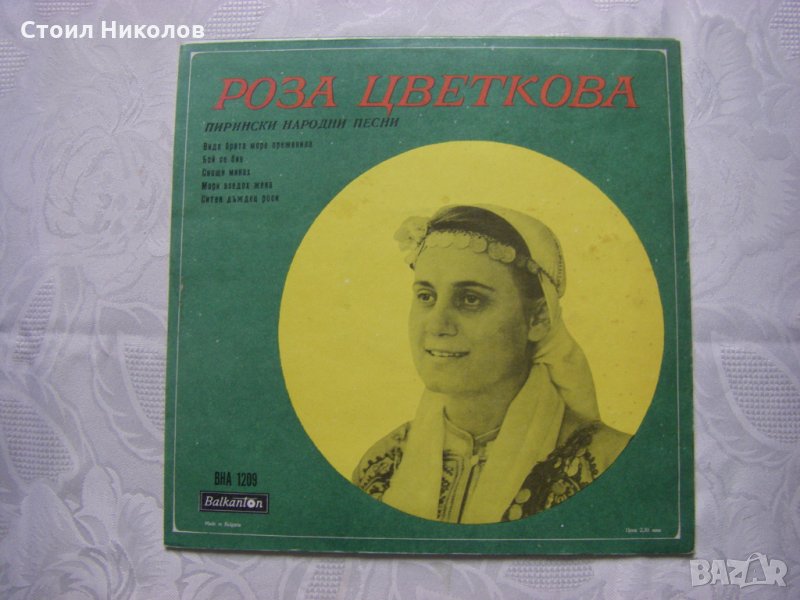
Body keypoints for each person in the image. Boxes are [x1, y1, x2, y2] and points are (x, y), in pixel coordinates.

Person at [352, 204, 630, 524]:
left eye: (470, 299)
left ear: (538, 319)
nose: (437, 325)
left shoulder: (608, 462)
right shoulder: (380, 466)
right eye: (426, 296)